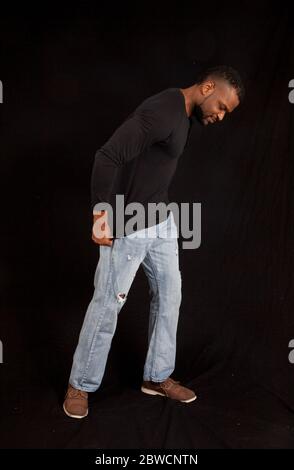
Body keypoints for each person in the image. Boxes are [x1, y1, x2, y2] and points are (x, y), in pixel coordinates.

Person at [63, 65, 245, 418]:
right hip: (129, 223)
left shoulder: (186, 116)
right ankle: (79, 385)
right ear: (208, 87)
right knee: (107, 304)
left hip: (161, 222)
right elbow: (108, 155)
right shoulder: (161, 110)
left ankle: (157, 377)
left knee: (170, 295)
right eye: (221, 106)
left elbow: (152, 167)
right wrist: (102, 215)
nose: (221, 116)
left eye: (226, 113)